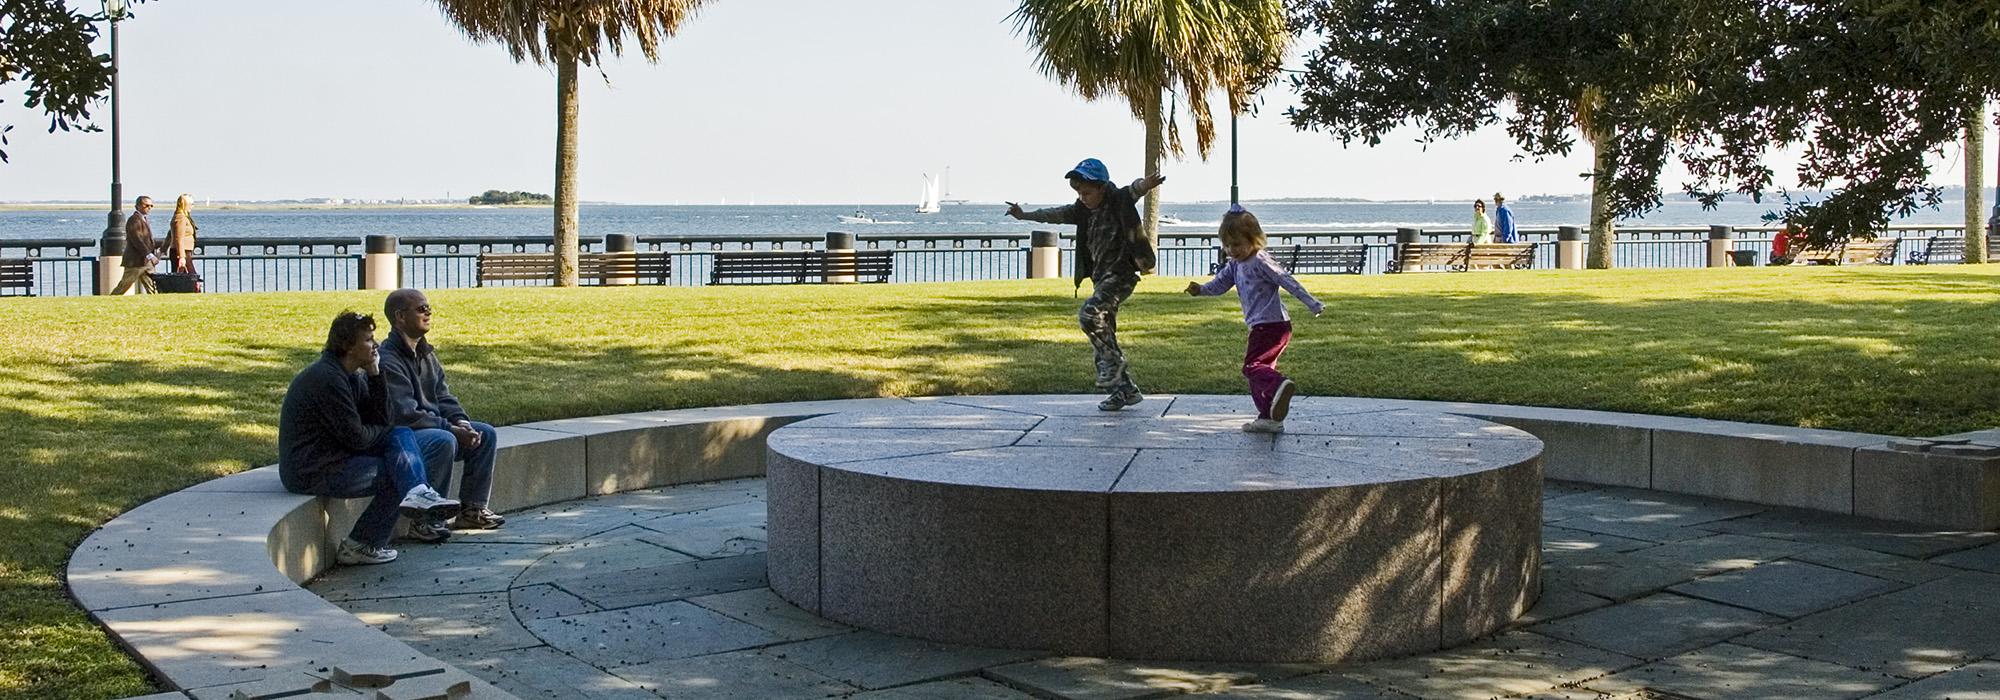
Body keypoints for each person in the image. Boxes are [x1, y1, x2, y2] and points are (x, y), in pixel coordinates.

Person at [279, 310, 462, 565]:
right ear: (347, 346)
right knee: (396, 470)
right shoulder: (327, 378)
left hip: (338, 458)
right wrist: (386, 432)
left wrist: (376, 375)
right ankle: (362, 543)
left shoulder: (354, 375)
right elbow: (358, 438)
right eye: (367, 340)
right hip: (311, 469)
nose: (375, 345)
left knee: (405, 442)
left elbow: (382, 421)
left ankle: (417, 493)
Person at [1006, 158, 1165, 411]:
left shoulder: (1117, 200)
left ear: (1102, 187)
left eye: (1087, 193)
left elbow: (1133, 190)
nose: (1083, 198)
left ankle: (1114, 369)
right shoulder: (1081, 210)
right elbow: (1055, 214)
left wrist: (1146, 184)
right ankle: (1124, 391)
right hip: (1101, 279)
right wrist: (1024, 215)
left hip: (1121, 275)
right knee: (1102, 330)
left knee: (1089, 315)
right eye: (1079, 193)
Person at [379, 288, 505, 542]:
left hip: (435, 426)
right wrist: (451, 430)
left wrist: (462, 422)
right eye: (421, 308)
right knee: (442, 440)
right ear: (400, 317)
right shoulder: (388, 360)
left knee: (485, 433)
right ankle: (426, 521)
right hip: (406, 437)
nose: (428, 312)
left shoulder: (426, 353)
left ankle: (472, 510)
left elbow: (444, 397)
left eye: (428, 307)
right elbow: (406, 414)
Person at [1185, 206, 1325, 433]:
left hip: (1271, 325)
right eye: (1227, 245)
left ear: (1254, 239)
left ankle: (1278, 384)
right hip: (1261, 326)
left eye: (1237, 244)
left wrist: (1312, 303)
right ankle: (1269, 417)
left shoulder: (1260, 260)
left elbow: (1286, 280)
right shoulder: (1234, 265)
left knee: (1253, 367)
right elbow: (1219, 285)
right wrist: (1200, 289)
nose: (1232, 250)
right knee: (1258, 374)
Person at [108, 196, 161, 294]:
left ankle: (157, 304)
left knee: (153, 287)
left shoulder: (143, 219)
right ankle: (109, 302)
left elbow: (145, 239)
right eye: (146, 205)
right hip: (136, 262)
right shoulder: (134, 220)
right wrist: (150, 255)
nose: (149, 208)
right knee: (124, 286)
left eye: (151, 206)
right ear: (138, 206)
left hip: (146, 262)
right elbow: (137, 240)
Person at [165, 193, 199, 278]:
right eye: (191, 204)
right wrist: (182, 257)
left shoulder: (183, 217)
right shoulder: (181, 218)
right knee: (189, 277)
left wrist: (163, 248)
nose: (192, 206)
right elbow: (178, 238)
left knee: (189, 276)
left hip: (184, 252)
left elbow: (170, 234)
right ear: (184, 204)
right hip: (181, 252)